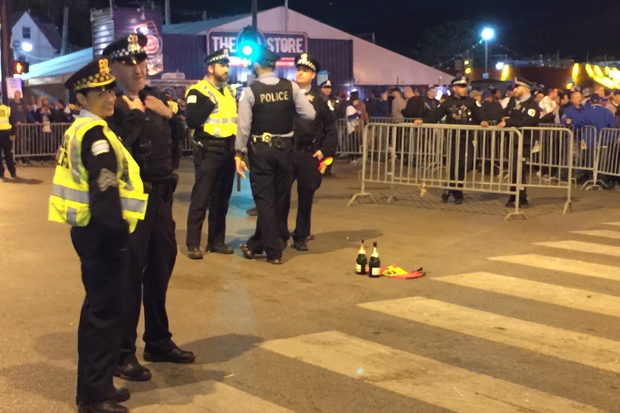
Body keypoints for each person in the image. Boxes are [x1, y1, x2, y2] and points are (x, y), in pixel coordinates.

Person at [48, 57, 148, 413]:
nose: (109, 97)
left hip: (91, 232)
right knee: (104, 315)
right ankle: (94, 396)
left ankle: (100, 382)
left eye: (110, 89)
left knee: (101, 311)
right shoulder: (95, 135)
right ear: (82, 96)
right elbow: (105, 189)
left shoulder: (84, 128)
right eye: (100, 92)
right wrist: (118, 231)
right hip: (103, 233)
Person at [103, 33, 193, 384]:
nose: (139, 69)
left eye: (141, 62)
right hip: (131, 204)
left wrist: (170, 115)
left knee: (159, 270)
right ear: (112, 68)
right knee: (127, 278)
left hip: (161, 198)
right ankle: (122, 353)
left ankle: (158, 340)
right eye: (129, 63)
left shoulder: (154, 98)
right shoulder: (111, 105)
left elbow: (179, 142)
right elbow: (115, 151)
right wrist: (140, 116)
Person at [235, 46, 315, 265]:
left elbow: (243, 127)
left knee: (265, 201)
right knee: (280, 200)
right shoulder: (290, 87)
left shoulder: (250, 91)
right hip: (286, 150)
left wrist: (239, 154)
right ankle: (265, 242)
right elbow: (309, 113)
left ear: (257, 65)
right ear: (275, 65)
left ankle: (273, 251)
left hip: (261, 150)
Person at [184, 48, 237, 259]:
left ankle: (216, 241)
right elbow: (192, 120)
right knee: (201, 198)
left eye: (227, 65)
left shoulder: (229, 91)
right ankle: (193, 243)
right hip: (208, 151)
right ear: (210, 68)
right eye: (222, 65)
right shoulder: (198, 91)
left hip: (227, 151)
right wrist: (210, 103)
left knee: (222, 199)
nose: (226, 69)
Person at [286, 53, 337, 251]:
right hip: (288, 151)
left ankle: (301, 236)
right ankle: (280, 234)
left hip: (309, 153)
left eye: (305, 70)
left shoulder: (319, 99)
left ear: (313, 75)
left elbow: (331, 127)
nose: (300, 73)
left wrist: (325, 151)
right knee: (281, 195)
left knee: (306, 196)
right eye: (298, 69)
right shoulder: (287, 93)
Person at [416, 76, 488, 204]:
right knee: (454, 165)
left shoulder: (471, 102)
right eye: (460, 86)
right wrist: (423, 121)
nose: (463, 89)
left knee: (468, 164)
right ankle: (457, 192)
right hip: (453, 138)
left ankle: (449, 186)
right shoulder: (448, 103)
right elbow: (435, 116)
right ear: (454, 88)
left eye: (465, 86)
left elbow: (480, 115)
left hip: (468, 138)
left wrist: (483, 121)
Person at [496, 77, 541, 207]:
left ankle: (521, 197)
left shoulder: (532, 106)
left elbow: (525, 121)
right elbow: (504, 113)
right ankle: (513, 195)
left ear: (526, 89)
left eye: (518, 87)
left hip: (524, 141)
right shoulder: (513, 101)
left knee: (519, 170)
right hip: (512, 140)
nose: (515, 89)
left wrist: (508, 121)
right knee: (513, 169)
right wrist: (505, 118)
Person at [0, 94, 17, 179]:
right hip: (6, 134)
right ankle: (3, 173)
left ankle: (12, 172)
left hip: (6, 134)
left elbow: (12, 122)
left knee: (8, 154)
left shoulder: (7, 109)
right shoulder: (6, 108)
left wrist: (13, 133)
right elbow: (13, 122)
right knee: (8, 154)